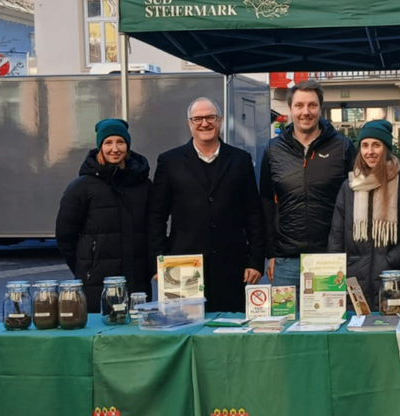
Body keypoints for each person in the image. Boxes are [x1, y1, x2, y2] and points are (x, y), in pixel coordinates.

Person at [147, 97, 265, 313]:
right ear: (189, 123)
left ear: (219, 121)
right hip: (182, 266)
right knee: (184, 328)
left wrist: (255, 260)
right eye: (198, 118)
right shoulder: (169, 161)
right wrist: (158, 261)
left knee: (230, 331)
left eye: (210, 117)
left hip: (232, 266)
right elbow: (156, 216)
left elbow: (253, 213)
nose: (204, 123)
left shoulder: (240, 160)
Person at [259, 79, 355, 290]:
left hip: (331, 256)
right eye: (299, 105)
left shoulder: (342, 147)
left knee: (329, 321)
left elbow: (355, 199)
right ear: (291, 109)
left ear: (320, 108)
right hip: (286, 259)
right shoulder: (273, 150)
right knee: (286, 321)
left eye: (312, 105)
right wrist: (271, 253)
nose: (306, 112)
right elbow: (266, 202)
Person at [327, 119, 400, 309]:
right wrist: (337, 272)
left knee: (391, 336)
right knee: (354, 335)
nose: (370, 151)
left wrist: (389, 260)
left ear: (386, 148)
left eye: (376, 145)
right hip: (354, 282)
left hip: (393, 280)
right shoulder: (349, 187)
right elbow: (336, 235)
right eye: (365, 145)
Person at [55, 117, 152, 309]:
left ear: (128, 146)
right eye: (108, 142)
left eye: (120, 142)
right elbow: (65, 235)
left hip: (137, 282)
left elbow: (152, 230)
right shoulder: (81, 187)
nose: (114, 148)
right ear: (100, 146)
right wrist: (85, 267)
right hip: (96, 283)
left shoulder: (144, 185)